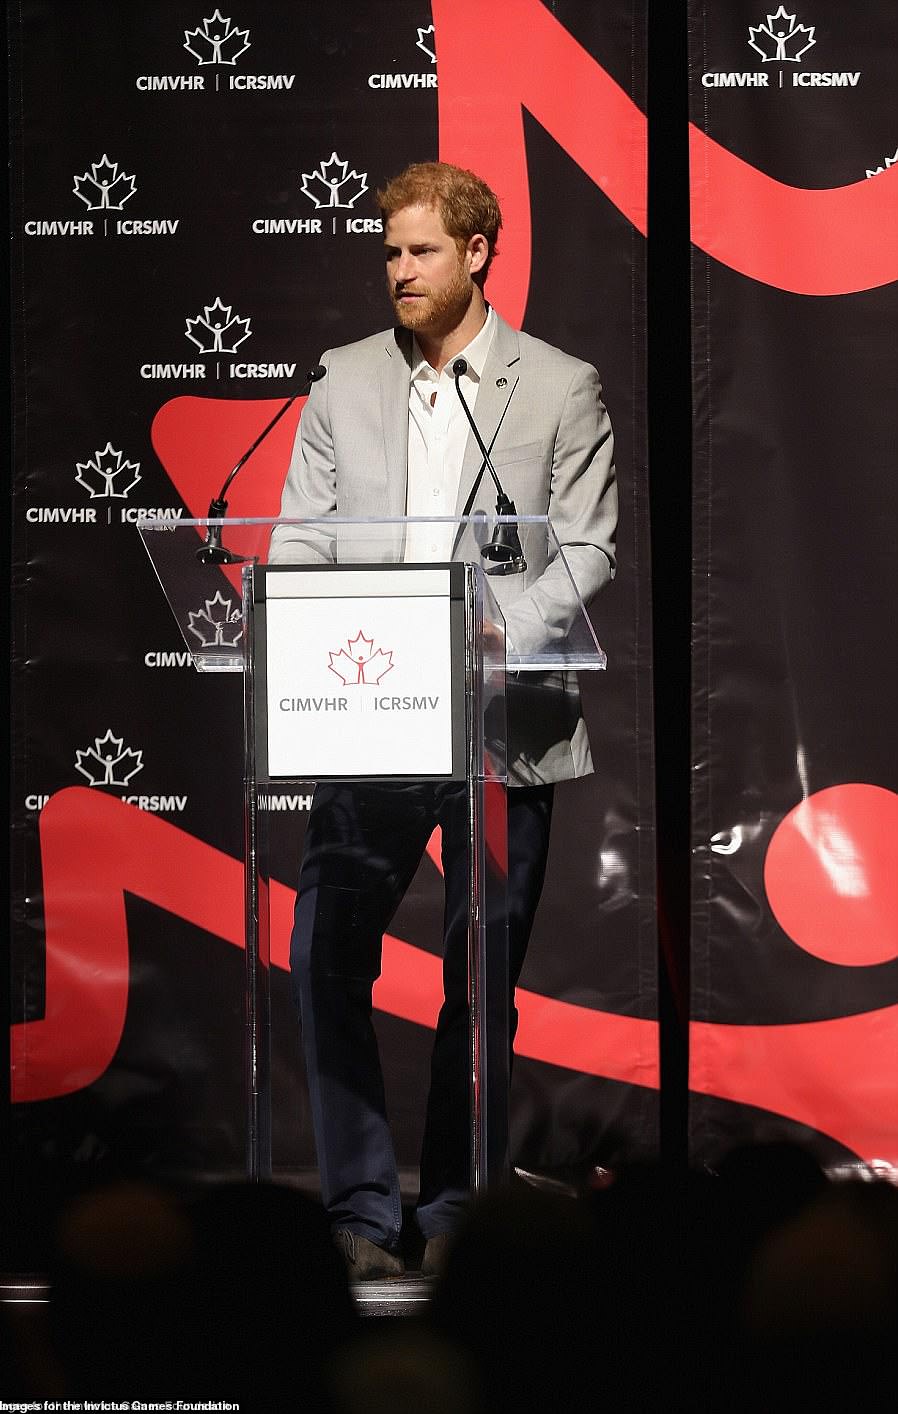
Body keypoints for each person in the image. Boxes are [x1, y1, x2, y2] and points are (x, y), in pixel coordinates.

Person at [270, 162, 616, 1279]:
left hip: (501, 721)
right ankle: (363, 1213)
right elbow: (301, 538)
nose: (397, 270)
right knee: (325, 952)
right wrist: (324, 627)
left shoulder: (558, 385)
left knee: (479, 979)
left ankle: (456, 1212)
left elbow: (591, 543)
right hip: (366, 711)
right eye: (386, 251)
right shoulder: (341, 379)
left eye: (418, 250)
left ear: (477, 252)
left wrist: (491, 631)